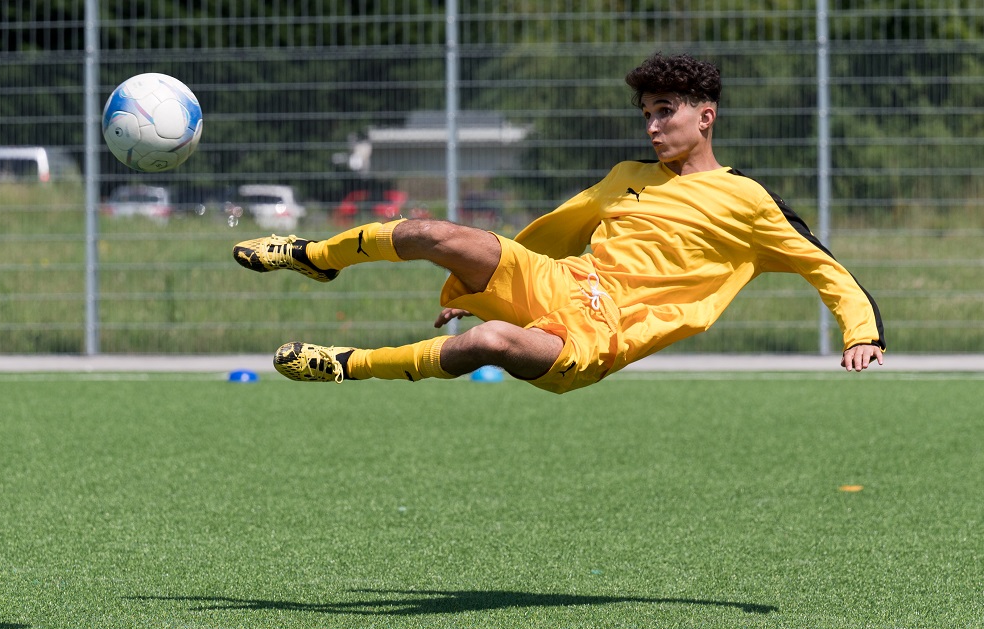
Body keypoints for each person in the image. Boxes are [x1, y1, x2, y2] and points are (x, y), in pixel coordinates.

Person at [232, 53, 885, 393]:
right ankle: (317, 255)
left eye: (666, 112)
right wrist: (481, 283)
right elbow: (551, 234)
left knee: (493, 343)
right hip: (554, 282)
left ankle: (349, 363)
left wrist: (862, 334)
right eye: (647, 114)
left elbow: (828, 271)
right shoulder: (626, 177)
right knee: (435, 233)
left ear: (705, 116)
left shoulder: (749, 203)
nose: (653, 126)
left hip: (601, 338)